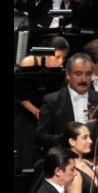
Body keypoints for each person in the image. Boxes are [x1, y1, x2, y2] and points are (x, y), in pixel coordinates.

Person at [15, 36, 70, 168]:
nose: (61, 62)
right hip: (26, 110)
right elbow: (20, 94)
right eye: (57, 57)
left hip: (45, 111)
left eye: (64, 58)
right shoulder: (29, 62)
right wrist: (36, 111)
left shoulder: (60, 71)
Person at [35, 53, 98, 150]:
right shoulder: (52, 101)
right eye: (78, 74)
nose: (84, 79)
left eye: (88, 74)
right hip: (63, 158)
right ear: (68, 75)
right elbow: (40, 137)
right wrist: (68, 139)